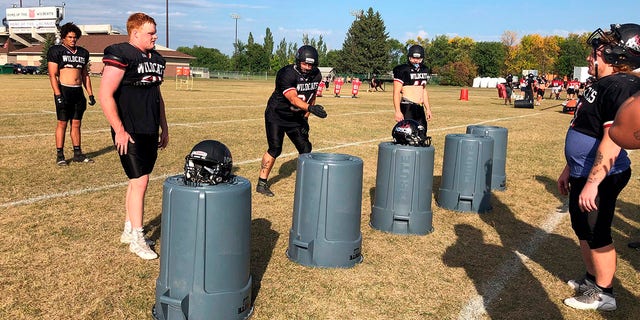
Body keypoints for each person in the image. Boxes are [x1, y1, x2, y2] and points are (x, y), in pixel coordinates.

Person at [557, 23, 640, 311]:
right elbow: (585, 127)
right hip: (583, 170)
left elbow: (611, 139)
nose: (593, 56)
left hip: (604, 174)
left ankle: (604, 293)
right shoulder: (603, 83)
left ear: (621, 55)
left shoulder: (622, 86)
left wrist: (593, 182)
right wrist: (570, 167)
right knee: (582, 228)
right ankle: (593, 279)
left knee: (597, 231)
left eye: (602, 50)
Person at [98, 12, 168, 260]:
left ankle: (129, 229)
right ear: (135, 32)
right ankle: (137, 237)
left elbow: (157, 96)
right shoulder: (120, 53)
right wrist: (119, 129)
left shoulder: (157, 58)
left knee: (137, 180)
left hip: (149, 126)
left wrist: (164, 126)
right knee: (141, 180)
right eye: (150, 32)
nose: (155, 36)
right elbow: (106, 94)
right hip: (129, 128)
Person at [256, 45, 327, 197]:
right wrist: (310, 108)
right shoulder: (286, 74)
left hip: (296, 117)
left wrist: (306, 118)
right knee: (275, 148)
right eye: (305, 63)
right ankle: (262, 183)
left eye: (311, 64)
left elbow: (311, 95)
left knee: (306, 148)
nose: (308, 67)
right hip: (277, 115)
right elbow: (293, 98)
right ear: (298, 61)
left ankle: (307, 180)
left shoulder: (316, 75)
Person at [47, 22, 96, 166]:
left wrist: (90, 94)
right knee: (62, 123)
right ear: (63, 37)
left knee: (76, 124)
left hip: (78, 92)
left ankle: (77, 154)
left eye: (75, 37)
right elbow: (52, 74)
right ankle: (60, 155)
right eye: (70, 37)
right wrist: (57, 95)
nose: (73, 40)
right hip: (64, 90)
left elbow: (85, 74)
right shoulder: (56, 51)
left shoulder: (82, 53)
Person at [393, 44, 432, 136]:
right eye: (413, 58)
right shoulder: (403, 70)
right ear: (409, 57)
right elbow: (396, 92)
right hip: (408, 107)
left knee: (422, 134)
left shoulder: (424, 69)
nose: (416, 60)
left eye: (418, 58)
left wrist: (428, 109)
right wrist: (398, 111)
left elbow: (423, 90)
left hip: (419, 107)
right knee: (408, 135)